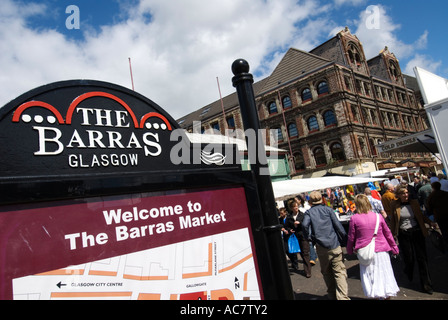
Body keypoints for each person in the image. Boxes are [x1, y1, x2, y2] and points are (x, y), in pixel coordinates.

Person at [347, 194, 400, 299]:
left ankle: (374, 296)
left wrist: (349, 250)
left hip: (365, 252)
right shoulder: (378, 216)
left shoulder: (354, 218)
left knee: (370, 278)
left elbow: (351, 237)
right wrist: (394, 248)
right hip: (382, 250)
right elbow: (388, 233)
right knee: (385, 277)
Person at [302, 191, 350, 300]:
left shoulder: (309, 213)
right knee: (339, 272)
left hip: (321, 246)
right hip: (334, 244)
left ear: (310, 202)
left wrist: (309, 237)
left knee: (327, 272)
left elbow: (304, 225)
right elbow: (338, 226)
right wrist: (346, 241)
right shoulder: (328, 210)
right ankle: (342, 297)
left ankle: (332, 296)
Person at [390, 185, 437, 294]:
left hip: (417, 232)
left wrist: (430, 222)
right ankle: (408, 270)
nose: (406, 195)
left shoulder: (414, 203)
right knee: (409, 258)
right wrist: (392, 235)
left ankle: (426, 285)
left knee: (422, 259)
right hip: (403, 234)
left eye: (407, 193)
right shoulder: (394, 205)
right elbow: (393, 221)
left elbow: (421, 216)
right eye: (403, 193)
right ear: (398, 195)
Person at [286, 199, 312, 278]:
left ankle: (308, 271)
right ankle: (306, 268)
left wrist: (300, 223)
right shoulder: (289, 217)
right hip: (295, 237)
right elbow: (286, 226)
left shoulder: (302, 215)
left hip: (303, 235)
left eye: (297, 206)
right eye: (294, 207)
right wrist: (289, 230)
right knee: (300, 253)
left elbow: (306, 224)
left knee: (305, 253)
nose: (296, 208)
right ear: (291, 208)